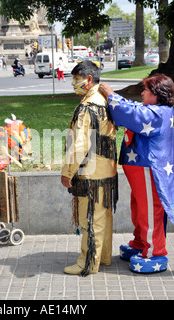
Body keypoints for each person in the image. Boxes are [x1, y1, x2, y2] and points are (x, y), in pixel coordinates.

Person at [99, 74, 174, 274]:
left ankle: (154, 252)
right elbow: (135, 109)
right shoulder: (154, 110)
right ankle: (140, 242)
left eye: (146, 90)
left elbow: (132, 113)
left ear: (156, 94)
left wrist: (111, 95)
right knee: (139, 209)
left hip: (149, 168)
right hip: (140, 169)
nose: (142, 93)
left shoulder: (158, 113)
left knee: (150, 211)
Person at [61, 61, 118, 276]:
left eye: (76, 79)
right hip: (107, 171)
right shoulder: (105, 99)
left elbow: (80, 144)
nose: (74, 83)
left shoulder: (87, 107)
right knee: (102, 217)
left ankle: (87, 263)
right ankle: (102, 257)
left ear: (89, 79)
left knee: (89, 219)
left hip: (90, 173)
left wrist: (68, 173)